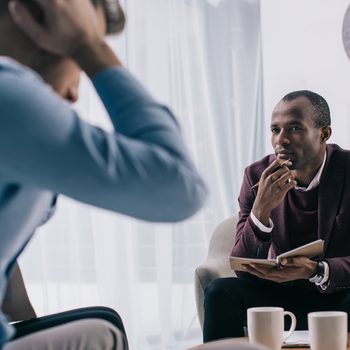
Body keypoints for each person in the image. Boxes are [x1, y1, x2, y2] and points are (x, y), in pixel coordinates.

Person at [0, 0, 207, 348]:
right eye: (76, 56)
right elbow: (178, 186)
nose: (73, 92)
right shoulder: (9, 97)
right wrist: (91, 48)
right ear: (38, 15)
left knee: (101, 329)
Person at [203, 90, 350, 342]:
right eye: (275, 129)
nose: (281, 140)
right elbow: (242, 267)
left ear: (324, 134)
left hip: (339, 295)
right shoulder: (256, 175)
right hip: (281, 296)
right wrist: (261, 210)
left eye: (294, 128)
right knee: (220, 291)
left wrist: (316, 270)